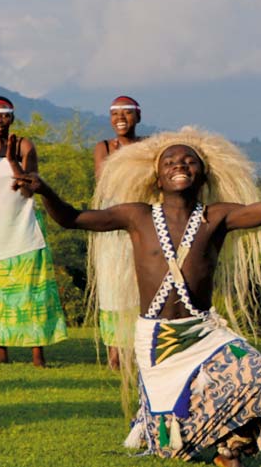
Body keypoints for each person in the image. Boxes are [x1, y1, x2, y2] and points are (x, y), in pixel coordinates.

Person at [16, 126, 261, 465]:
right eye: (170, 162)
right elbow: (73, 218)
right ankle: (169, 430)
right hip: (157, 338)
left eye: (189, 161)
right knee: (172, 447)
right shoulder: (137, 216)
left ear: (203, 176)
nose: (179, 165)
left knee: (257, 372)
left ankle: (230, 448)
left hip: (203, 331)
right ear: (157, 179)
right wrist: (46, 191)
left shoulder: (217, 217)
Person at [0, 96, 65, 366]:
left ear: (12, 118)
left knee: (31, 292)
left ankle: (37, 355)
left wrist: (12, 161)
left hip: (22, 228)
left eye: (4, 115)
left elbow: (29, 190)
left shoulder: (24, 146)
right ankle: (1, 353)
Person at [91, 95, 145, 369]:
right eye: (115, 114)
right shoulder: (104, 147)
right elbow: (105, 183)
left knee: (138, 282)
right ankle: (114, 350)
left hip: (141, 219)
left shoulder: (148, 146)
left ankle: (138, 347)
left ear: (138, 116)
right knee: (112, 283)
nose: (120, 118)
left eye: (127, 113)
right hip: (112, 222)